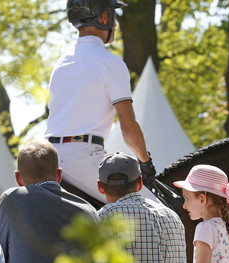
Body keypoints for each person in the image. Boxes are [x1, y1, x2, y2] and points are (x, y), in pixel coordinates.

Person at [46, 0, 156, 203]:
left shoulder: (60, 63)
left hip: (47, 156)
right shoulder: (111, 63)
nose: (115, 23)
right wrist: (145, 162)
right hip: (82, 157)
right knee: (158, 212)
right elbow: (129, 129)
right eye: (113, 14)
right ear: (105, 17)